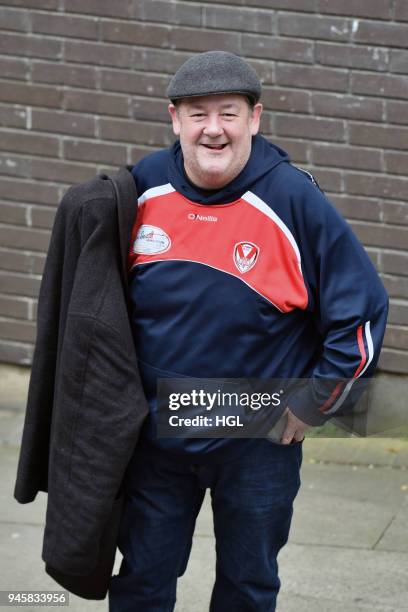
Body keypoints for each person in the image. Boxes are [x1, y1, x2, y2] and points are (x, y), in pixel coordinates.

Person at [108, 51, 389, 611]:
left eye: (228, 113)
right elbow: (93, 302)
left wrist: (314, 405)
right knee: (141, 580)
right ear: (175, 119)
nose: (213, 129)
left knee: (248, 586)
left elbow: (359, 313)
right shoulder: (137, 189)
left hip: (259, 436)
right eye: (197, 113)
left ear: (254, 119)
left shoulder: (294, 198)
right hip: (157, 434)